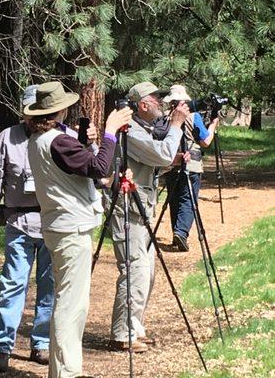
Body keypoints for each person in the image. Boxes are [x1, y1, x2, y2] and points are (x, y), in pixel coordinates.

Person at [25, 81, 132, 378]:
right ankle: (68, 372)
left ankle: (63, 370)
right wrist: (110, 131)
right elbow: (100, 168)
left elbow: (81, 167)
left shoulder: (43, 138)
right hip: (70, 228)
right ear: (59, 109)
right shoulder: (57, 141)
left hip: (60, 225)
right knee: (72, 305)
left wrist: (88, 143)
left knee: (67, 299)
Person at [108, 82, 189, 353]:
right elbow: (160, 152)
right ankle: (122, 334)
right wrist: (177, 125)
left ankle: (134, 327)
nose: (161, 102)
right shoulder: (130, 131)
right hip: (128, 210)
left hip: (141, 209)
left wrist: (172, 161)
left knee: (148, 273)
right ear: (142, 104)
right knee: (135, 270)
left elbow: (156, 159)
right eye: (156, 98)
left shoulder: (142, 129)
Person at [163, 85, 219, 251]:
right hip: (192, 163)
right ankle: (181, 232)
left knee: (174, 198)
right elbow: (206, 141)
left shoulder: (165, 117)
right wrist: (214, 124)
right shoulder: (193, 116)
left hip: (171, 163)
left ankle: (176, 232)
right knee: (188, 199)